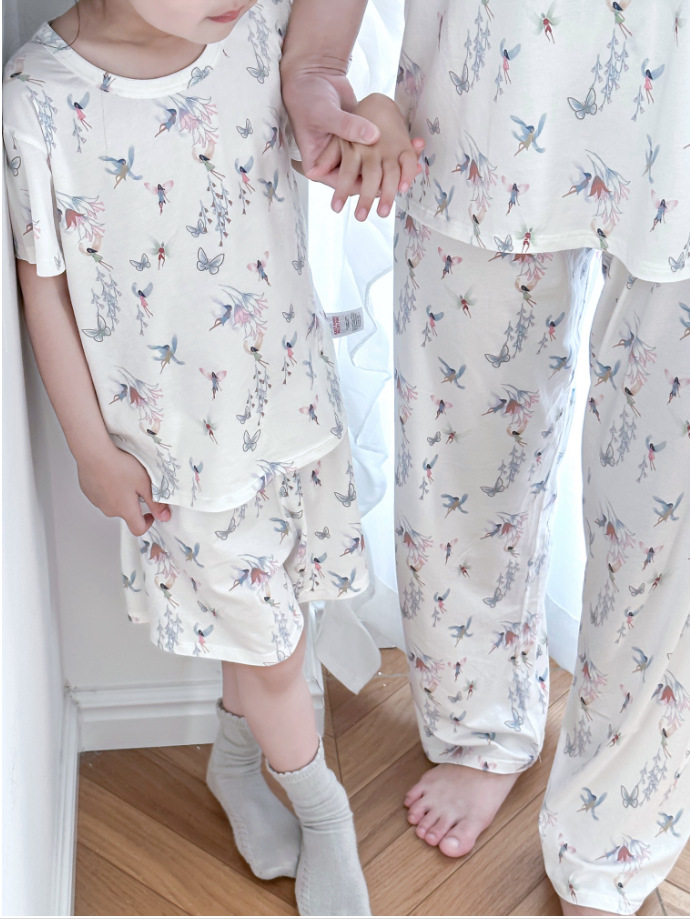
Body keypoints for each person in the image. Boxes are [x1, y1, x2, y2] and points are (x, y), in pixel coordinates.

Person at [3, 2, 415, 914]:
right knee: (272, 651)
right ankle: (325, 812)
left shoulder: (259, 31)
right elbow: (46, 290)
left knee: (269, 619)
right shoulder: (41, 98)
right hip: (184, 455)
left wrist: (378, 118)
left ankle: (234, 762)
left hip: (291, 404)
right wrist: (89, 450)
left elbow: (339, 118)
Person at [280, 1, 690, 915]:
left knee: (671, 511)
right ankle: (481, 717)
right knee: (465, 434)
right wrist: (317, 59)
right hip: (496, 53)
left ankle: (617, 828)